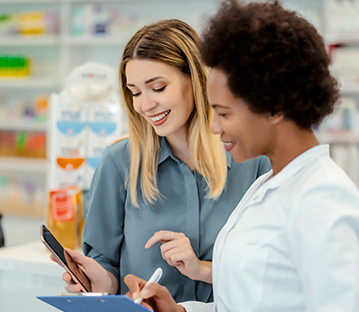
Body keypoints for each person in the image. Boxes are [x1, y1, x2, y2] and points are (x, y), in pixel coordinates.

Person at [123, 1, 359, 311]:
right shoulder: (270, 184)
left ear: (274, 107)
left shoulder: (324, 199)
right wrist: (178, 311)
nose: (214, 127)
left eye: (224, 114)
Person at [55, 18, 270, 303]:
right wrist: (99, 281)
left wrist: (205, 270)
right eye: (135, 92)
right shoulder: (119, 164)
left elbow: (271, 270)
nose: (144, 105)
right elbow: (107, 271)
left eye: (157, 88)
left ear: (197, 80)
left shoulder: (254, 161)